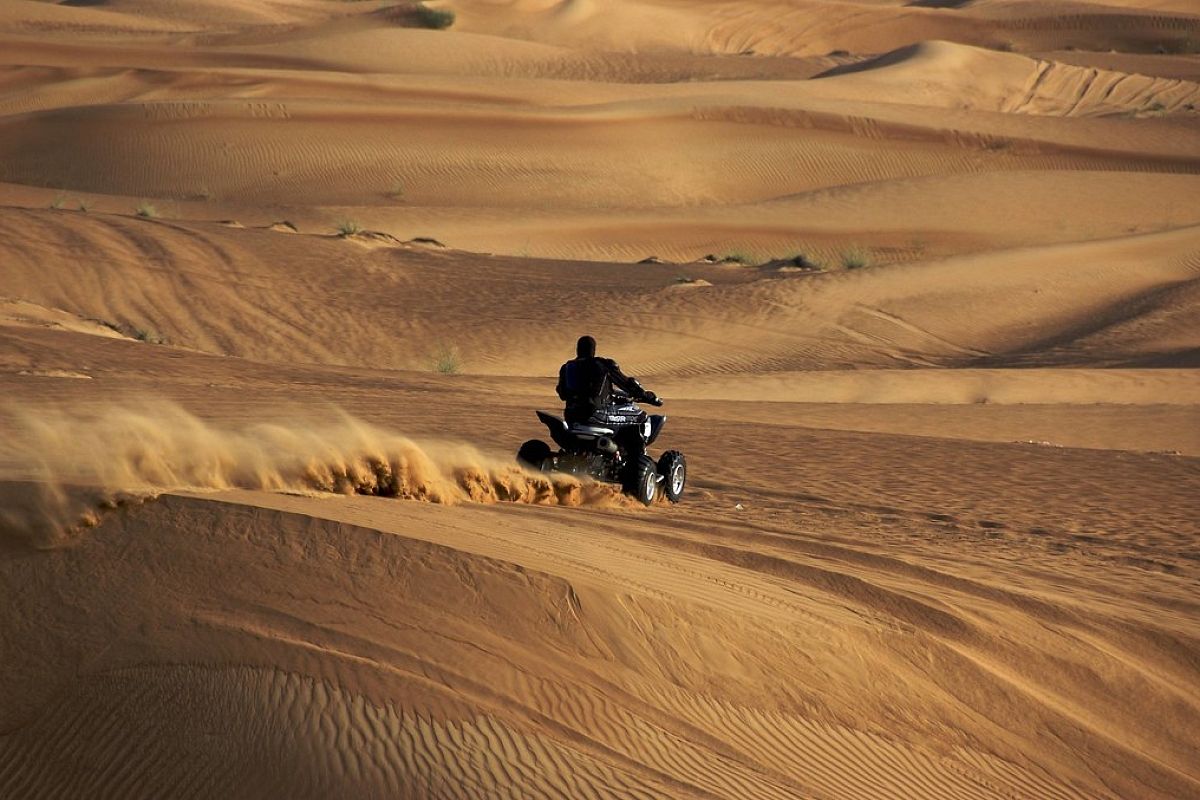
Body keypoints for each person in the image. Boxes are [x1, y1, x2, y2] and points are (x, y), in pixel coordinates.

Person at [556, 335, 662, 426]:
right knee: (640, 416)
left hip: (571, 417)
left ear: (578, 349)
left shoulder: (566, 367)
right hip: (596, 414)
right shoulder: (602, 365)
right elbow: (626, 383)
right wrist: (646, 396)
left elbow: (562, 394)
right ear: (593, 349)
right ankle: (638, 450)